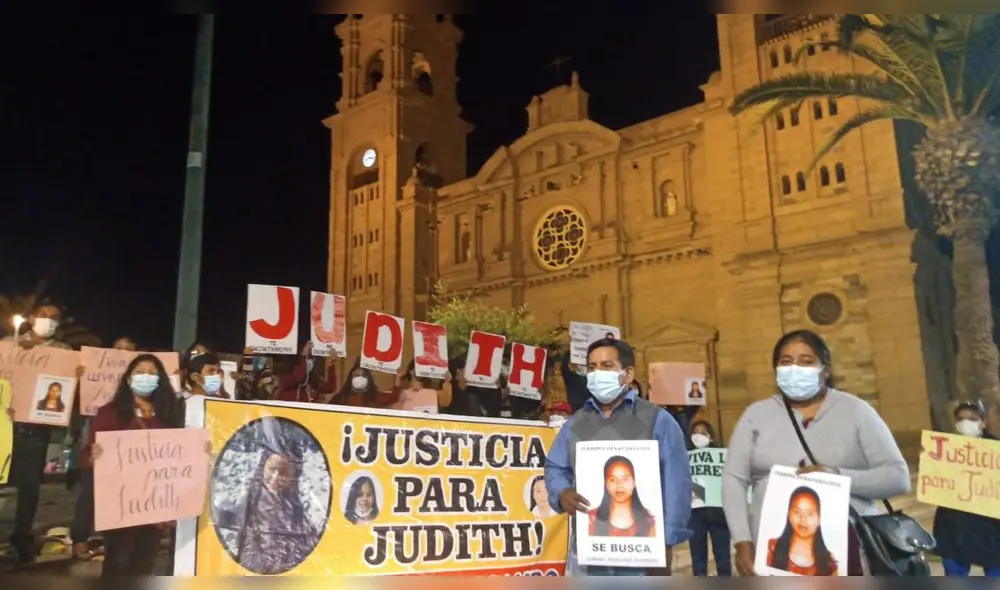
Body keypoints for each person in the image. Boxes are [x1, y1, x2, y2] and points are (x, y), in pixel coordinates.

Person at [722, 329, 910, 577]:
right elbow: (734, 479)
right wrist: (742, 541)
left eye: (806, 361)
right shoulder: (755, 416)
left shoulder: (856, 411)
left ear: (826, 370)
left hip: (846, 555)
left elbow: (898, 477)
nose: (795, 369)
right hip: (772, 559)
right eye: (786, 361)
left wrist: (837, 476)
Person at [544, 337, 691, 576]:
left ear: (628, 374)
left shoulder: (657, 420)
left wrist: (665, 543)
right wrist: (561, 492)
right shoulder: (575, 423)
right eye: (592, 367)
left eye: (607, 366)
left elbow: (676, 484)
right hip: (588, 557)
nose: (597, 374)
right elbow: (555, 466)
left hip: (642, 560)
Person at [85, 354, 186, 577]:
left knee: (145, 559)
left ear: (160, 380)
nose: (145, 377)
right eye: (140, 372)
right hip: (120, 501)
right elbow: (90, 456)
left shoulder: (171, 415)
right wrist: (96, 456)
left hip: (154, 502)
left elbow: (183, 452)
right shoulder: (110, 412)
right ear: (129, 379)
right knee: (117, 560)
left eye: (151, 373)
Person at [2, 304, 71, 563]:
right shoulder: (9, 344)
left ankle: (21, 537)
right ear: (31, 318)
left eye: (54, 317)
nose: (48, 320)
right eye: (43, 315)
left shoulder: (64, 353)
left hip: (35, 430)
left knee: (29, 487)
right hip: (4, 426)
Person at [212, 418, 322, 575]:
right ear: (262, 467)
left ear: (294, 477)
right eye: (272, 469)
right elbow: (229, 519)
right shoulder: (253, 500)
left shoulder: (297, 514)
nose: (275, 477)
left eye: (284, 472)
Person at [68, 336, 135, 560]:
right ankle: (79, 539)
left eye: (129, 350)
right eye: (119, 349)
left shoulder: (140, 380)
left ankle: (115, 542)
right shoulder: (96, 372)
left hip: (128, 446)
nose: (123, 353)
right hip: (100, 437)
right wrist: (79, 380)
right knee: (90, 491)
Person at [932, 400, 1000, 577]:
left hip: (991, 526)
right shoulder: (945, 449)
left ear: (983, 422)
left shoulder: (996, 449)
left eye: (972, 418)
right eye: (961, 418)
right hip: (954, 524)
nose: (966, 422)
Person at [688, 420, 731, 577]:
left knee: (723, 558)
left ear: (711, 437)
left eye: (702, 433)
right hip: (695, 514)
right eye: (695, 432)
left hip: (718, 513)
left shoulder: (722, 457)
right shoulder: (686, 456)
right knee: (698, 558)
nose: (698, 436)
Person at [766, 486, 838, 576]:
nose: (803, 519)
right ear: (789, 515)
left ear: (819, 519)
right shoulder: (771, 548)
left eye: (810, 514)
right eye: (797, 512)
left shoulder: (829, 564)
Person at [588, 455, 656, 537]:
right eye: (613, 479)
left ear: (634, 482)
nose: (619, 485)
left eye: (625, 479)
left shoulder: (649, 522)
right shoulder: (591, 519)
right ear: (606, 484)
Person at [330, 357, 399, 408]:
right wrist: (331, 366)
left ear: (368, 379)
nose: (359, 378)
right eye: (356, 375)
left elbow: (392, 398)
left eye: (363, 375)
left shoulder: (373, 396)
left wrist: (397, 380)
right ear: (350, 377)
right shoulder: (342, 396)